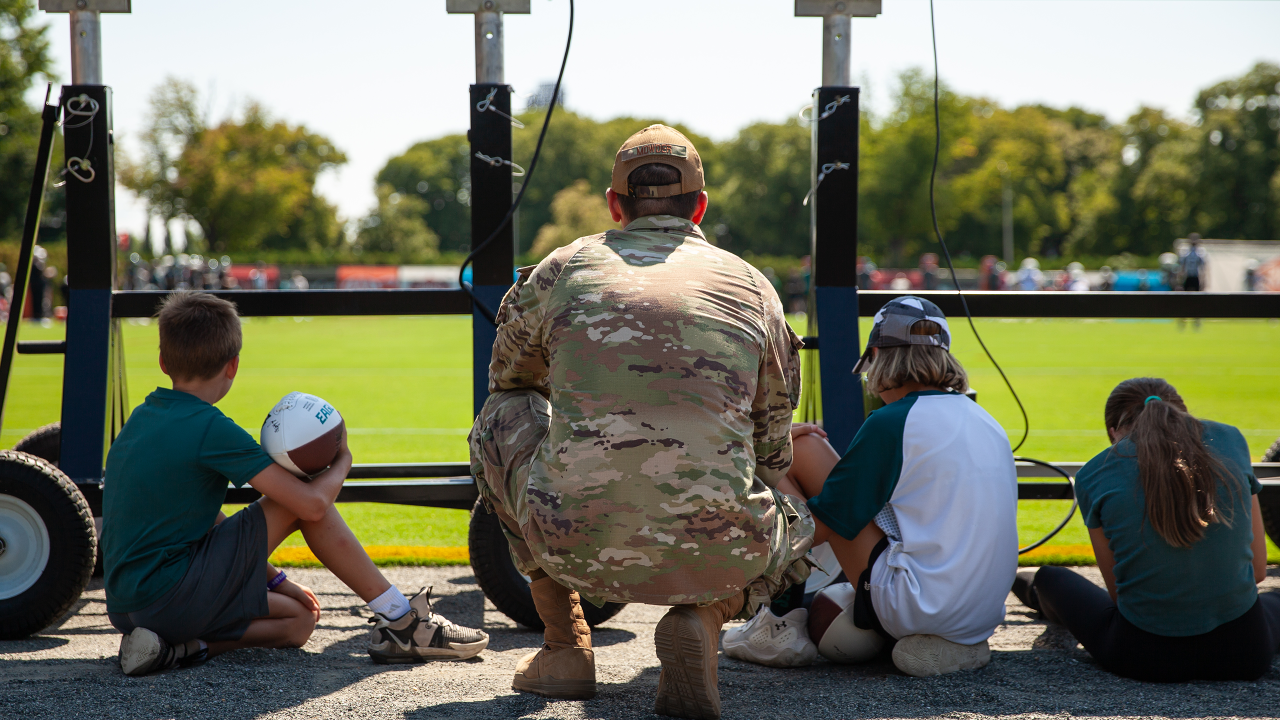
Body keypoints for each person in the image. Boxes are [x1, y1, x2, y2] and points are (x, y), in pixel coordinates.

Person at [469, 124, 813, 720]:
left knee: (500, 419)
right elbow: (772, 449)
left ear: (614, 204)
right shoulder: (754, 288)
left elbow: (509, 380)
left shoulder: (564, 267)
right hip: (721, 545)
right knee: (801, 520)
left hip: (570, 542)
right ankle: (705, 615)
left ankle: (565, 648)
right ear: (700, 206)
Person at [103, 291, 487, 676]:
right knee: (299, 496)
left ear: (162, 361)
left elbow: (195, 516)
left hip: (128, 607)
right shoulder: (210, 428)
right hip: (171, 599)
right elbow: (311, 507)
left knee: (300, 618)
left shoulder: (143, 416)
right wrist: (343, 459)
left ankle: (177, 650)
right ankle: (402, 619)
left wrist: (279, 580)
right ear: (233, 365)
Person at [759, 297, 1019, 677]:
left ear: (878, 357)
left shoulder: (892, 421)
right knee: (812, 455)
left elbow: (819, 528)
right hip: (983, 616)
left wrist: (768, 448)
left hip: (917, 607)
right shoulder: (987, 420)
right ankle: (953, 641)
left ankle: (777, 623)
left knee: (793, 452)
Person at [1012, 378, 1279, 682]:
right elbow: (1258, 570)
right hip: (1245, 651)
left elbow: (1120, 595)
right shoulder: (1230, 440)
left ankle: (1029, 591)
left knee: (1050, 578)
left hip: (1145, 656)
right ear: (1183, 415)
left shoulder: (1095, 473)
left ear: (1114, 433)